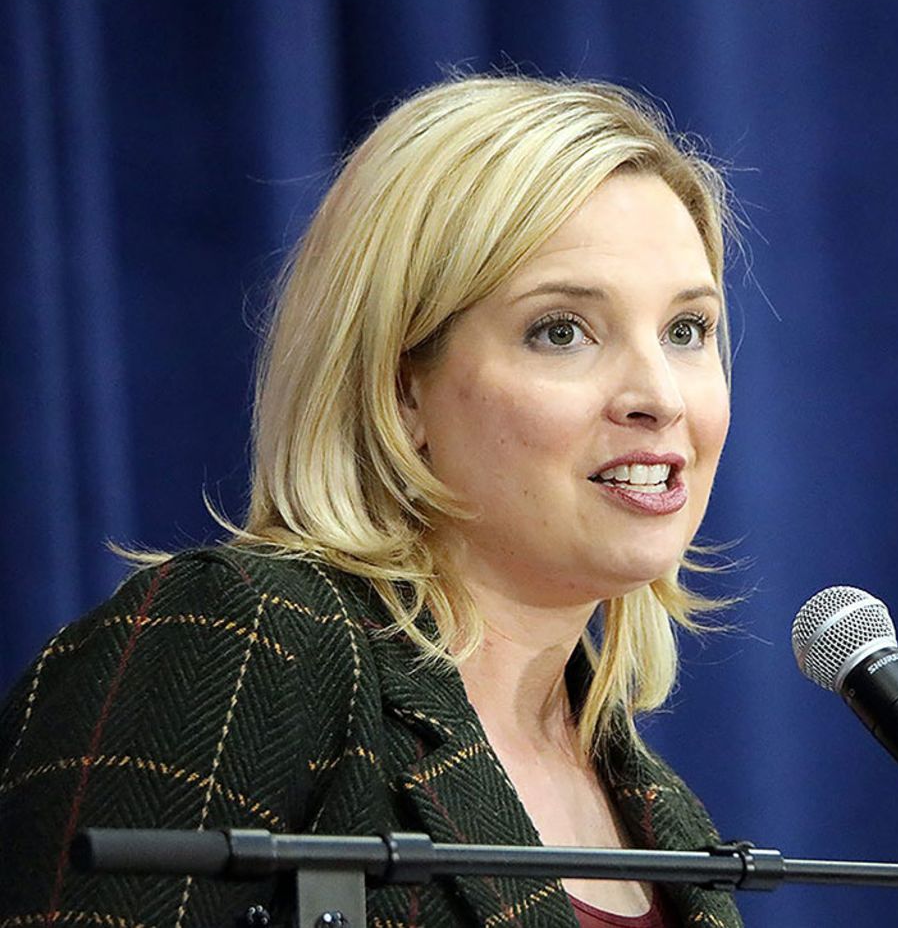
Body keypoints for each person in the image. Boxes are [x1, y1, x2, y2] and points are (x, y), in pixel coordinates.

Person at [0, 75, 741, 928]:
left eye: (687, 330)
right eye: (562, 330)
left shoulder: (667, 817)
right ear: (400, 391)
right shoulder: (250, 640)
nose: (660, 395)